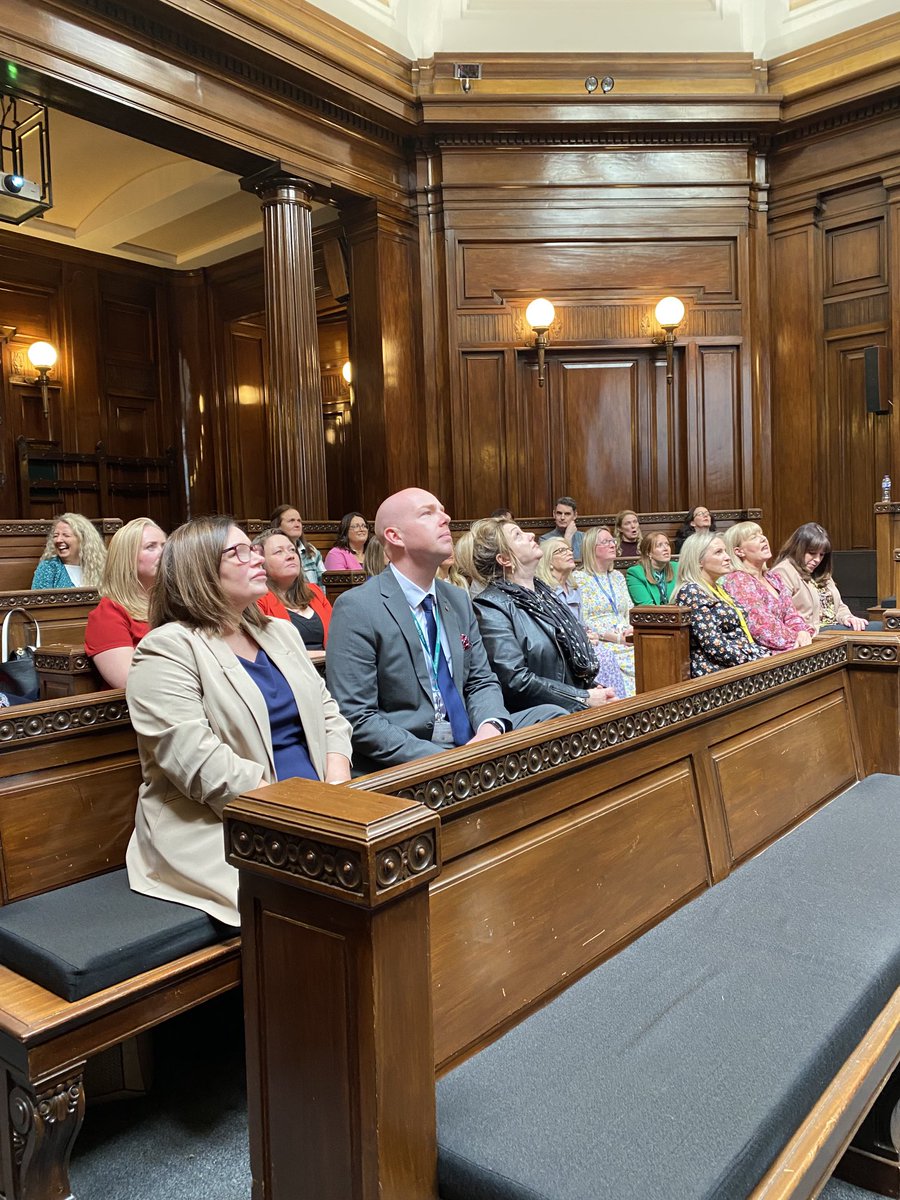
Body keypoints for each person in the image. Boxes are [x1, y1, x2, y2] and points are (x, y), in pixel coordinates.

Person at [125, 515, 352, 926]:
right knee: (324, 896)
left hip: (319, 801)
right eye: (239, 552)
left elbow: (329, 712)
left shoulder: (278, 633)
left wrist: (337, 789)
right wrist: (306, 816)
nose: (258, 559)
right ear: (199, 571)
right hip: (225, 824)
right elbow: (201, 764)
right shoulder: (166, 650)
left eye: (253, 548)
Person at [326, 488, 565, 775]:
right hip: (411, 754)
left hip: (469, 738)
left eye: (442, 510)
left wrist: (489, 729)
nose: (446, 518)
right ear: (394, 536)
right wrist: (447, 760)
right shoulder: (357, 607)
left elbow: (480, 680)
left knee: (554, 717)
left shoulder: (456, 598)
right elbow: (359, 718)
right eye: (428, 513)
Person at [472, 521, 616, 713]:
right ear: (505, 559)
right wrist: (583, 697)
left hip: (570, 706)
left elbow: (567, 667)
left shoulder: (545, 595)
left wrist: (592, 690)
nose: (530, 534)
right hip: (541, 718)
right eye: (518, 535)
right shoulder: (491, 606)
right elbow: (515, 681)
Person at [537, 536, 627, 698]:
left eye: (569, 550)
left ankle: (619, 706)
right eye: (561, 551)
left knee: (606, 655)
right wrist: (582, 638)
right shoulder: (546, 592)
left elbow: (582, 624)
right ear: (549, 561)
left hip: (582, 645)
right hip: (562, 650)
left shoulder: (573, 588)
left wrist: (589, 634)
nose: (569, 553)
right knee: (602, 658)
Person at [672, 531, 770, 677]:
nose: (727, 557)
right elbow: (714, 645)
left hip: (740, 663)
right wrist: (754, 660)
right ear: (699, 560)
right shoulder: (691, 591)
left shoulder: (718, 588)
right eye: (719, 552)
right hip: (717, 670)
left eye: (725, 551)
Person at [84, 518, 166, 687]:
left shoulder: (175, 603)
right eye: (151, 546)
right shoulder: (108, 614)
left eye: (165, 545)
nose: (163, 553)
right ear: (127, 558)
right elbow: (129, 682)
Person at [722, 522, 814, 650]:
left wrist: (803, 632)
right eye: (754, 537)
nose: (763, 538)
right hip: (767, 653)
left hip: (791, 645)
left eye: (762, 534)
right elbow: (762, 627)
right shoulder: (738, 580)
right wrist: (796, 638)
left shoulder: (773, 578)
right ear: (739, 551)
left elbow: (791, 614)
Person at [769, 523, 869, 633]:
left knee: (877, 628)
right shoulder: (783, 572)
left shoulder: (820, 572)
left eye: (821, 555)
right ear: (797, 549)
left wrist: (848, 618)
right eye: (812, 553)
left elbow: (839, 606)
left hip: (834, 629)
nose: (817, 560)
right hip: (812, 633)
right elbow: (782, 615)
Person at [574, 526, 636, 696]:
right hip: (604, 641)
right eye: (606, 542)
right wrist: (617, 638)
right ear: (591, 548)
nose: (612, 545)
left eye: (613, 541)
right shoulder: (579, 579)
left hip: (628, 636)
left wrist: (633, 629)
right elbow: (585, 620)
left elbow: (629, 609)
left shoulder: (617, 576)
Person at [255, 528, 332, 650]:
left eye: (292, 550)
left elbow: (337, 635)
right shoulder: (258, 599)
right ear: (260, 562)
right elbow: (268, 652)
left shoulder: (314, 591)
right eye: (278, 552)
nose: (290, 556)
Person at [32, 512, 107, 589]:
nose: (58, 540)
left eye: (66, 535)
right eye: (55, 536)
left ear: (82, 539)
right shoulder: (49, 567)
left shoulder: (98, 567)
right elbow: (39, 600)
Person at [270, 504, 324, 586]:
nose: (297, 524)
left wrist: (321, 599)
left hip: (314, 597)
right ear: (277, 525)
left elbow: (323, 581)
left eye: (299, 521)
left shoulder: (311, 550)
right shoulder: (270, 551)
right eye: (291, 521)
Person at [625, 533, 676, 606]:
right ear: (648, 552)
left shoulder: (677, 567)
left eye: (667, 544)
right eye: (659, 545)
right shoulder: (635, 573)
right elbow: (646, 606)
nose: (666, 549)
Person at [539, 496, 583, 560]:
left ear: (575, 516)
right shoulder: (545, 539)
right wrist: (567, 537)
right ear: (554, 514)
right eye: (559, 513)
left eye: (567, 514)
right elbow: (559, 562)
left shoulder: (584, 538)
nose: (562, 518)